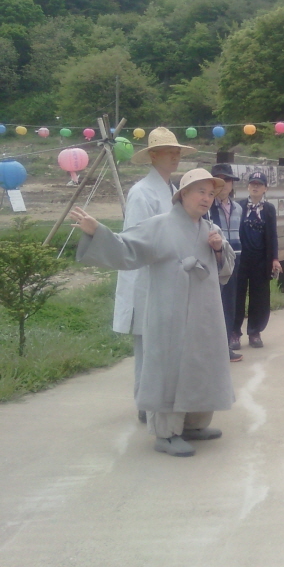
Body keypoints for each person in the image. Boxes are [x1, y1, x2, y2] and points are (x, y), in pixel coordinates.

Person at [71, 169, 236, 458]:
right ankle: (166, 432)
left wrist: (219, 249)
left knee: (202, 364)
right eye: (200, 191)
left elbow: (226, 270)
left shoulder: (211, 230)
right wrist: (97, 231)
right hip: (169, 314)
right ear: (183, 193)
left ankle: (195, 424)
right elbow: (126, 248)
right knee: (169, 367)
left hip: (204, 315)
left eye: (211, 193)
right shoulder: (159, 225)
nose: (207, 199)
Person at [114, 127, 195, 423]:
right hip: (146, 278)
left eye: (177, 152)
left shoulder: (174, 191)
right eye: (169, 152)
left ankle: (163, 403)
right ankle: (145, 404)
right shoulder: (141, 193)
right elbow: (135, 240)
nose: (175, 156)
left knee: (166, 346)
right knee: (148, 348)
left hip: (170, 276)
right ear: (153, 155)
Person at [232, 172, 281, 350]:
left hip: (261, 260)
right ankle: (234, 332)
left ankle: (254, 331)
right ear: (247, 187)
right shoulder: (238, 206)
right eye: (252, 184)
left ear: (265, 188)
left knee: (259, 297)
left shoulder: (269, 209)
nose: (255, 187)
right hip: (241, 259)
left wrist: (275, 258)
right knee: (237, 296)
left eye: (259, 184)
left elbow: (273, 235)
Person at [209, 163, 243, 363]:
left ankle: (226, 346)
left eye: (227, 180)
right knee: (214, 304)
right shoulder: (207, 207)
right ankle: (213, 347)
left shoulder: (238, 207)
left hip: (235, 260)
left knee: (230, 303)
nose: (224, 184)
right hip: (214, 260)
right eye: (219, 180)